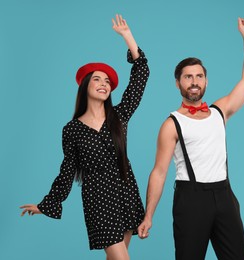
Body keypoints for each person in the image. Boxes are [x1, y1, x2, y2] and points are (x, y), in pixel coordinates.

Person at [19, 14, 149, 260]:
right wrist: (47, 203)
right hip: (98, 197)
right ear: (85, 86)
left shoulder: (119, 115)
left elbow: (140, 76)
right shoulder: (72, 129)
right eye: (97, 79)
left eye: (107, 81)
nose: (103, 83)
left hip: (126, 190)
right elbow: (68, 169)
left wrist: (127, 37)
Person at [137, 17, 244, 260]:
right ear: (178, 83)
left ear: (206, 81)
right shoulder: (171, 124)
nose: (194, 82)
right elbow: (159, 172)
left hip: (224, 195)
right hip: (190, 199)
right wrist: (148, 215)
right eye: (188, 77)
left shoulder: (219, 112)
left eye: (199, 76)